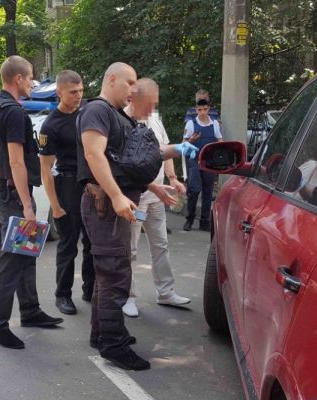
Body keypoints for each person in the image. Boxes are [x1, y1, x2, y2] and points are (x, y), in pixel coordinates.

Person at [77, 62, 197, 371]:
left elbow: (134, 161)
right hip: (105, 204)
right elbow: (93, 154)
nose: (133, 89)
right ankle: (113, 345)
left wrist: (160, 178)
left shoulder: (118, 116)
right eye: (129, 82)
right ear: (111, 79)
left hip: (115, 204)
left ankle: (101, 334)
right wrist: (117, 195)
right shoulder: (97, 110)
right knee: (114, 275)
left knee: (108, 273)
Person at [0, 55, 63, 350]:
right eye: (30, 77)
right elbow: (16, 162)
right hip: (14, 192)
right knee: (12, 258)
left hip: (5, 189)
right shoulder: (13, 112)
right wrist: (27, 206)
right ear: (18, 78)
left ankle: (30, 311)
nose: (33, 82)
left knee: (26, 252)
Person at [122, 78, 191, 318]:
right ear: (134, 98)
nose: (152, 108)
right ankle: (128, 297)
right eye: (149, 103)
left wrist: (172, 178)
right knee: (130, 248)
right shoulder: (123, 121)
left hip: (156, 196)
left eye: (155, 103)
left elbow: (164, 149)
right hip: (137, 197)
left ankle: (166, 292)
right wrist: (152, 187)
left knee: (160, 243)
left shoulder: (154, 118)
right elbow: (127, 166)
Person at [39, 70, 94, 315]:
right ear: (59, 92)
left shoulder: (88, 112)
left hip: (91, 184)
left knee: (92, 242)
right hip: (68, 186)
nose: (79, 95)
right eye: (73, 92)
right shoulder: (51, 125)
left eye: (81, 90)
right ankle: (62, 295)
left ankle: (90, 289)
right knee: (68, 245)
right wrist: (55, 206)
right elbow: (45, 169)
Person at [183, 98, 222, 231]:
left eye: (205, 109)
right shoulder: (191, 124)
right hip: (194, 159)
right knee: (194, 190)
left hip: (209, 161)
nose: (202, 112)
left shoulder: (214, 124)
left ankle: (204, 221)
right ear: (196, 110)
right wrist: (191, 140)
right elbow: (184, 144)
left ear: (208, 109)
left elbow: (220, 140)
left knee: (208, 191)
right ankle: (190, 218)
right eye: (199, 110)